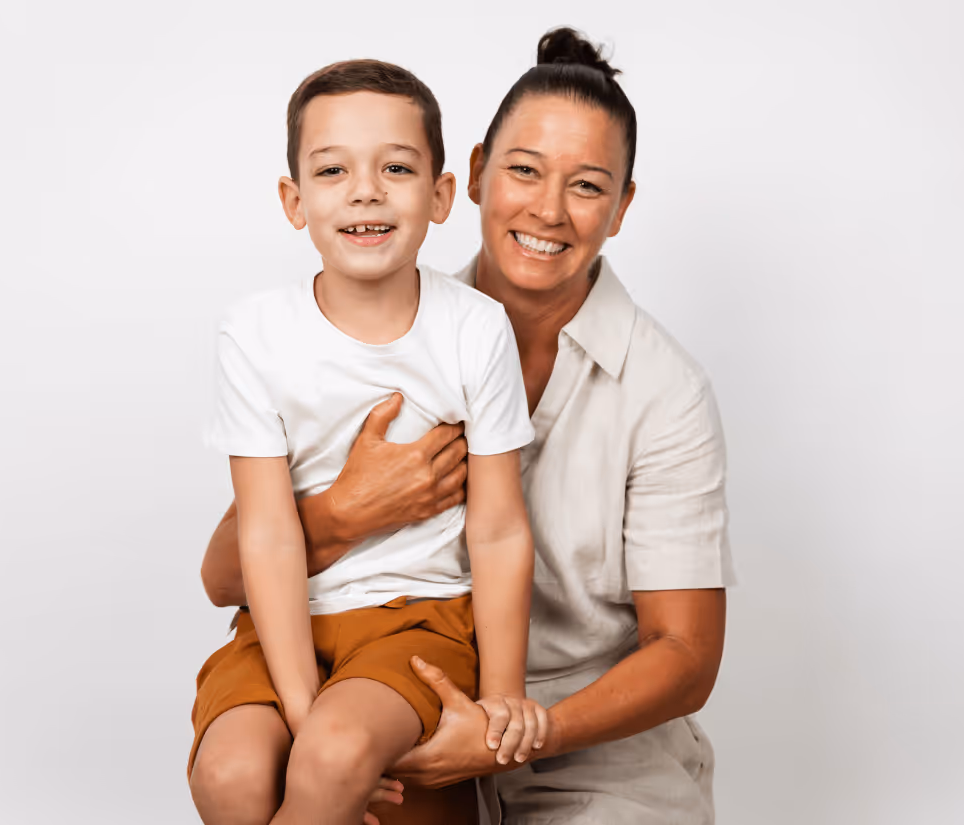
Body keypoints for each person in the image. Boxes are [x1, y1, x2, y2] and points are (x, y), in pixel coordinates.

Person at [200, 27, 736, 824]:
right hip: (390, 692)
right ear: (478, 175)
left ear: (621, 208)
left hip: (579, 738)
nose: (548, 210)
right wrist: (349, 508)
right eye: (524, 171)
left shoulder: (667, 391)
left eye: (587, 186)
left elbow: (686, 656)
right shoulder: (374, 321)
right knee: (262, 774)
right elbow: (224, 576)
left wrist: (510, 725)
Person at [189, 59, 548, 825]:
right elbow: (268, 531)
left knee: (330, 753)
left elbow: (497, 526)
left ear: (442, 194)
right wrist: (297, 701)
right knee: (230, 773)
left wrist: (503, 695)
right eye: (332, 169)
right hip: (284, 625)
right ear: (294, 201)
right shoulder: (254, 333)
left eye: (396, 167)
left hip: (416, 618)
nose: (365, 189)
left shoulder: (474, 328)